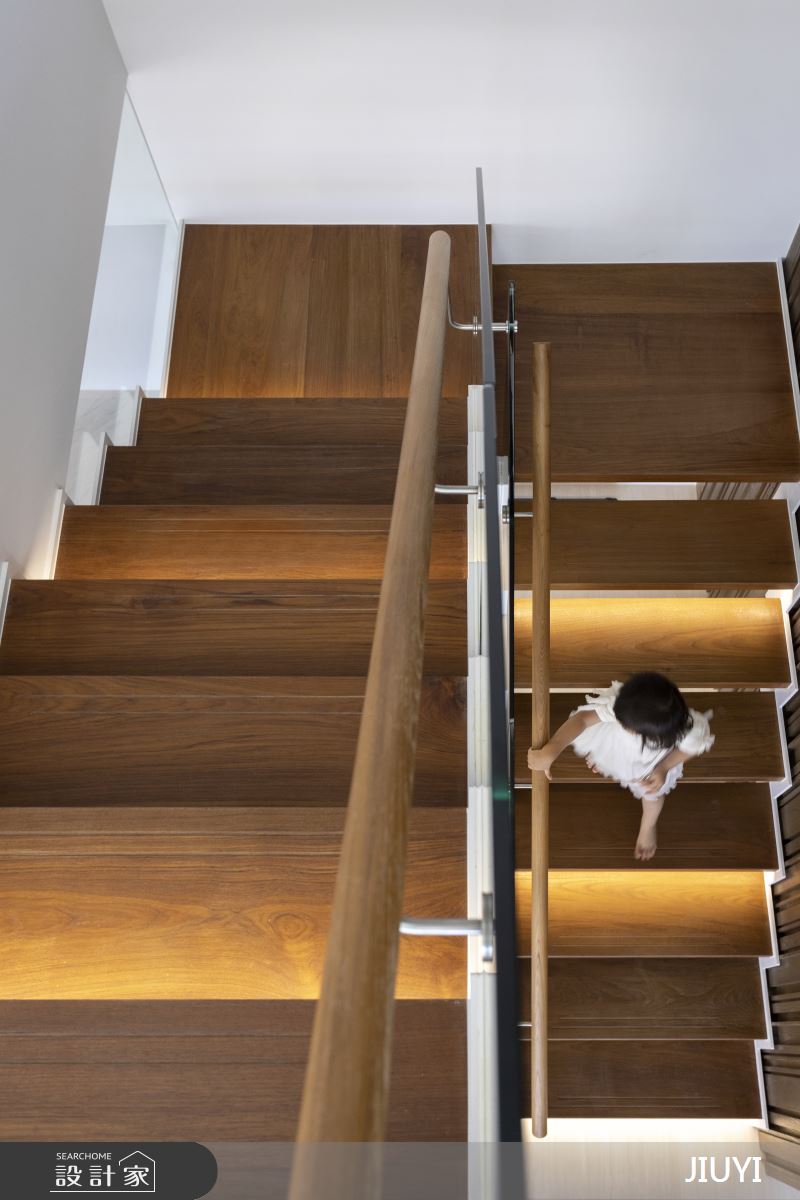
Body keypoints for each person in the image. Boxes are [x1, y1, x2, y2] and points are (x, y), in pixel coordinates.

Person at [526, 672, 714, 862]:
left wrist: (664, 767)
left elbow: (692, 748)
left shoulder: (689, 730)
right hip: (617, 744)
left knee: (653, 795)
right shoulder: (624, 706)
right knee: (605, 744)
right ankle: (604, 757)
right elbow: (583, 719)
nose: (624, 725)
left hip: (650, 766)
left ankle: (648, 826)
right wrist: (552, 750)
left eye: (627, 726)